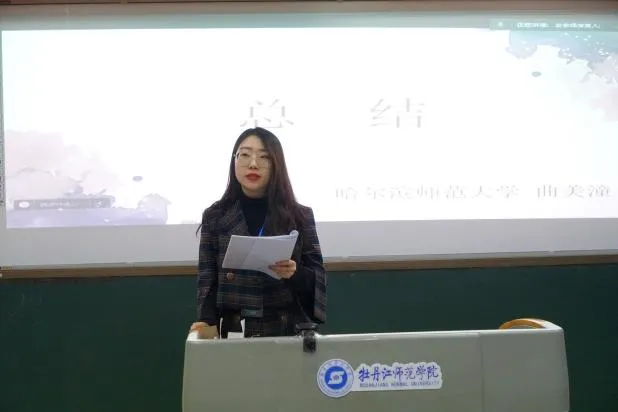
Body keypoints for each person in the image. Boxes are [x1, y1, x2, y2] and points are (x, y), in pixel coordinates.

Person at [189, 127, 327, 339]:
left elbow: (317, 277)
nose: (253, 164)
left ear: (276, 164)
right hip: (234, 329)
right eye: (244, 155)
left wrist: (295, 273)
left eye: (264, 157)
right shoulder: (215, 216)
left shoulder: (299, 216)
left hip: (286, 329)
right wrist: (207, 323)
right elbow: (207, 280)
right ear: (234, 161)